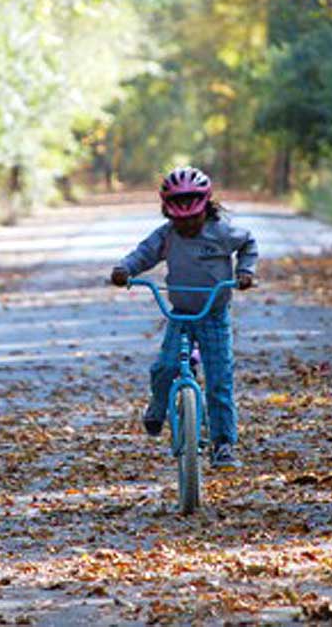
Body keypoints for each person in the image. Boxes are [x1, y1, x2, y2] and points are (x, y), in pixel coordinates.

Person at [110, 166, 258, 469]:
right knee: (165, 367)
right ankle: (158, 405)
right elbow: (143, 254)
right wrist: (125, 269)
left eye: (193, 218)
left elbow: (248, 244)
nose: (187, 225)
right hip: (180, 314)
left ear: (206, 207)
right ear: (168, 214)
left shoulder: (222, 232)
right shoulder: (167, 236)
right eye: (180, 220)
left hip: (214, 316)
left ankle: (224, 444)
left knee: (219, 380)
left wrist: (245, 271)